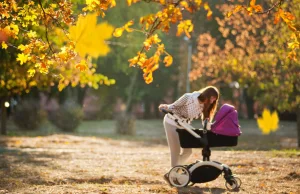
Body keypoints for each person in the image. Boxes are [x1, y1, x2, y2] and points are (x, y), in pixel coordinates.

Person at [158, 86, 219, 184]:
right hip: (171, 122)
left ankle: (171, 172)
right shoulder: (189, 97)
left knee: (188, 151)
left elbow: (205, 121)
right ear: (207, 94)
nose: (212, 102)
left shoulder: (205, 106)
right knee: (175, 151)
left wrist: (208, 127)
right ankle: (173, 176)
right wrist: (165, 107)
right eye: (212, 98)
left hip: (184, 125)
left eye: (214, 100)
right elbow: (174, 106)